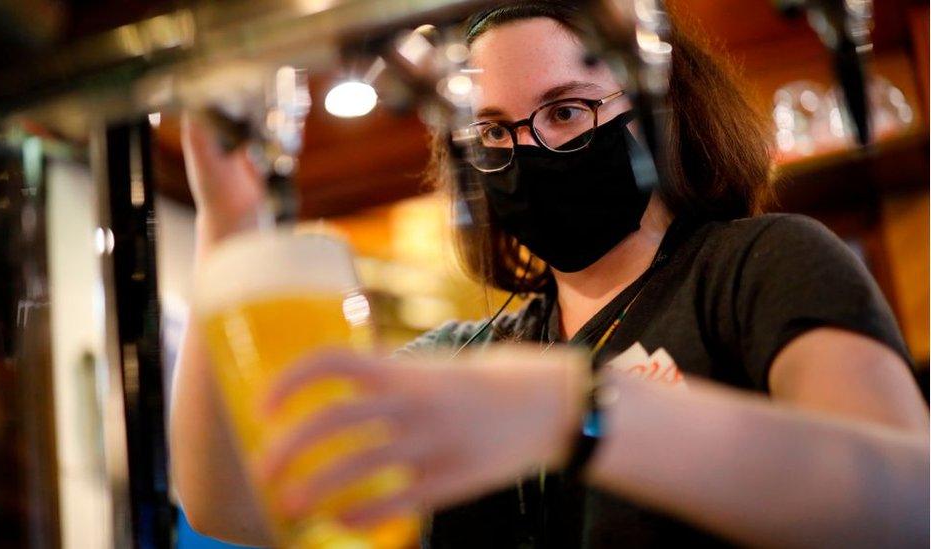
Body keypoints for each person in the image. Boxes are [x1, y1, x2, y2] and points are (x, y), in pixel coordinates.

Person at [170, 2, 930, 547]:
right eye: (494, 129)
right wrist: (230, 223)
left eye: (565, 111)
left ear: (660, 109)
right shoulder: (462, 361)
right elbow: (231, 504)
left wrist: (573, 410)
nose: (527, 148)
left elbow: (907, 505)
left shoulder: (760, 267)